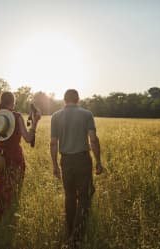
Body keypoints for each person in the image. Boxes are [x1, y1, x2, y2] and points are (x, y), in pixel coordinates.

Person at [50, 89, 103, 246]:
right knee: (84, 198)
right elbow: (93, 139)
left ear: (64, 100)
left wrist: (54, 165)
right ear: (78, 99)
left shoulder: (55, 116)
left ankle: (70, 233)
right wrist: (98, 162)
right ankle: (76, 237)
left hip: (65, 161)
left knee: (70, 197)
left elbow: (53, 143)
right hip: (82, 160)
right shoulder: (87, 114)